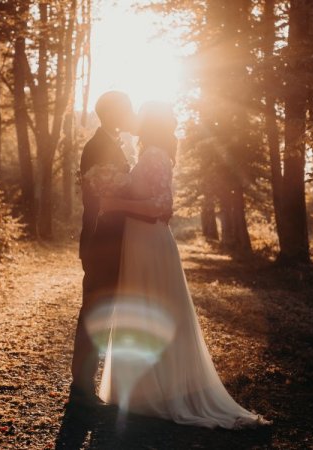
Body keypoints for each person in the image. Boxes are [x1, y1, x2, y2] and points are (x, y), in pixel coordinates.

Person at [95, 102, 272, 429]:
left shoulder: (156, 156)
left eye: (142, 115)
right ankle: (142, 391)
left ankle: (162, 392)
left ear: (150, 123)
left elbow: (163, 205)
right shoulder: (149, 154)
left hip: (149, 241)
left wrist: (115, 202)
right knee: (141, 311)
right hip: (138, 242)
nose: (135, 117)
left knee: (154, 311)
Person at [71, 91, 165, 407]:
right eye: (126, 110)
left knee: (105, 311)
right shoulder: (98, 147)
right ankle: (81, 388)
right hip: (102, 242)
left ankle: (86, 385)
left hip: (114, 241)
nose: (131, 116)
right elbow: (100, 200)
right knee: (96, 310)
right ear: (113, 114)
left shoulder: (110, 143)